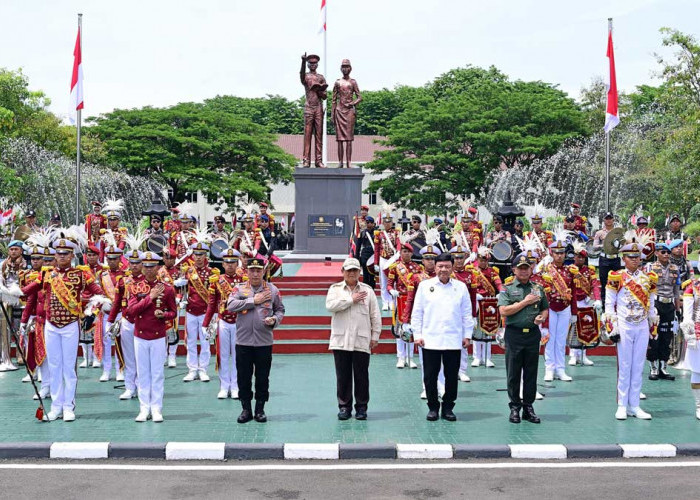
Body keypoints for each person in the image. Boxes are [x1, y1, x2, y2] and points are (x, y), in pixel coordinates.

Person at [21, 237, 106, 421]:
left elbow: (100, 294)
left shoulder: (81, 274)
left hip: (70, 325)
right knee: (54, 366)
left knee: (69, 367)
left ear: (72, 255)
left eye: (65, 253)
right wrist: (8, 291)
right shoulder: (46, 274)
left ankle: (68, 406)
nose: (61, 257)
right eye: (58, 253)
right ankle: (56, 406)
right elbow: (28, 290)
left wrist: (90, 312)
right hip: (51, 325)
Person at [411, 252, 474, 422]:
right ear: (435, 267)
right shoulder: (425, 286)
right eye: (440, 266)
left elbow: (467, 314)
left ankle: (448, 407)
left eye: (447, 266)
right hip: (430, 339)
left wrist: (467, 335)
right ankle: (433, 407)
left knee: (451, 376)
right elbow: (417, 313)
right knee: (430, 376)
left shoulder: (460, 287)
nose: (443, 270)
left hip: (453, 339)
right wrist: (417, 334)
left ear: (452, 267)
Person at [605, 240, 658, 420]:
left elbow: (651, 303)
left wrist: (652, 322)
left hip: (642, 324)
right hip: (625, 324)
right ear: (624, 258)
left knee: (638, 366)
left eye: (637, 257)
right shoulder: (617, 276)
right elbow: (609, 303)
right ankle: (622, 404)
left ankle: (634, 405)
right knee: (625, 365)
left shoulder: (648, 278)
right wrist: (613, 324)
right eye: (631, 257)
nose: (635, 260)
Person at [227, 257, 285, 423]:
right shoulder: (239, 289)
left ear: (264, 272)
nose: (255, 274)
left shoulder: (272, 290)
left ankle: (260, 409)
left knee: (262, 377)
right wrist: (254, 301)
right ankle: (246, 409)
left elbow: (280, 310)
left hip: (263, 342)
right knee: (243, 377)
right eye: (252, 270)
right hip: (243, 342)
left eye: (258, 271)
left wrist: (274, 320)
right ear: (247, 272)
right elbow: (230, 305)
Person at [325, 257, 380, 420]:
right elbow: (330, 306)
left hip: (361, 339)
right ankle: (344, 407)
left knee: (362, 375)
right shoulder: (335, 289)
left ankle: (362, 407)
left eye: (355, 270)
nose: (351, 273)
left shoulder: (368, 291)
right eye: (348, 270)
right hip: (341, 340)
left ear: (359, 272)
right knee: (343, 376)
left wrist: (375, 335)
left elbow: (375, 315)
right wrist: (351, 300)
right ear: (342, 272)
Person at [498, 253, 549, 424]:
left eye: (527, 267)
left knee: (531, 372)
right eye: (520, 268)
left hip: (533, 334)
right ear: (514, 270)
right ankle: (514, 407)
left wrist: (542, 317)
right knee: (513, 372)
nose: (524, 271)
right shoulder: (508, 288)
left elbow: (544, 308)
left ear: (531, 269)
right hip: (514, 334)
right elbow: (504, 311)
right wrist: (525, 303)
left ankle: (528, 406)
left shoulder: (538, 288)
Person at [127, 251, 177, 422]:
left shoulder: (167, 288)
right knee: (142, 374)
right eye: (146, 266)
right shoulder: (134, 287)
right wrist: (150, 298)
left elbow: (173, 312)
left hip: (157, 335)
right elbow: (131, 311)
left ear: (158, 267)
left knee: (157, 373)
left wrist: (164, 314)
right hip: (140, 335)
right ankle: (144, 408)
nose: (148, 269)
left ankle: (156, 408)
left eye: (152, 266)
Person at [203, 248, 247, 399]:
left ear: (237, 263)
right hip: (222, 321)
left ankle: (235, 386)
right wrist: (205, 323)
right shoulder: (216, 281)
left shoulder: (244, 280)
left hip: (239, 322)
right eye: (227, 263)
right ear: (223, 263)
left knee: (237, 356)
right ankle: (224, 385)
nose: (230, 266)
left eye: (233, 263)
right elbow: (211, 303)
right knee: (222, 355)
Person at [402, 239, 440, 398]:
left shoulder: (444, 276)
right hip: (424, 321)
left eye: (433, 259)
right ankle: (427, 386)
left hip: (440, 320)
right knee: (426, 358)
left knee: (443, 356)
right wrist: (405, 320)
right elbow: (410, 299)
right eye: (427, 258)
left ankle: (442, 385)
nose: (430, 262)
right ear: (422, 260)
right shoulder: (416, 277)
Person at [177, 241, 219, 382]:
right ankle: (192, 369)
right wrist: (180, 298)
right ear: (193, 255)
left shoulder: (211, 273)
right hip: (191, 310)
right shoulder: (188, 271)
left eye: (201, 254)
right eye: (196, 254)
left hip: (206, 312)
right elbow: (181, 290)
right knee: (191, 341)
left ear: (205, 255)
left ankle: (203, 370)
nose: (199, 257)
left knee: (205, 342)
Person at [107, 248, 144, 397]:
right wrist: (110, 321)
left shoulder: (147, 281)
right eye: (132, 263)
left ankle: (141, 386)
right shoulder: (123, 281)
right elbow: (116, 303)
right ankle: (130, 387)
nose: (134, 266)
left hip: (143, 322)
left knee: (141, 357)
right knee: (128, 356)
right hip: (127, 321)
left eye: (137, 263)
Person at [541, 240, 578, 382]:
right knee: (550, 339)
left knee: (561, 340)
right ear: (551, 253)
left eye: (562, 253)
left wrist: (574, 313)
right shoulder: (545, 269)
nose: (559, 256)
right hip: (550, 308)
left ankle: (560, 369)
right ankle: (549, 368)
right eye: (557, 253)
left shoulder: (570, 271)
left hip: (565, 308)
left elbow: (573, 293)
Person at [645, 242, 680, 381]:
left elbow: (677, 291)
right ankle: (653, 367)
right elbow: (646, 288)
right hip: (656, 304)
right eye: (663, 252)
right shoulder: (650, 267)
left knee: (667, 337)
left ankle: (663, 367)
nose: (666, 255)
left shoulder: (674, 268)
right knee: (654, 336)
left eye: (668, 253)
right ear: (657, 253)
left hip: (669, 305)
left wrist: (677, 309)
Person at [387, 237, 422, 369]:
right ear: (400, 253)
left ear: (412, 253)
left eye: (408, 251)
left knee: (412, 328)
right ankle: (401, 357)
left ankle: (411, 357)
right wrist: (392, 291)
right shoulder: (395, 267)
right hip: (400, 299)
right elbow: (389, 285)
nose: (406, 254)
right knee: (400, 329)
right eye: (403, 251)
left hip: (413, 300)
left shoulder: (417, 267)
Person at [470, 247, 505, 368]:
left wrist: (501, 292)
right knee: (477, 329)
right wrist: (474, 295)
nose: (483, 262)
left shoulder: (492, 271)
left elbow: (498, 283)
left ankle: (488, 357)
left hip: (489, 302)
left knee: (489, 329)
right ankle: (476, 357)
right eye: (481, 260)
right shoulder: (472, 270)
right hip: (476, 301)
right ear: (478, 259)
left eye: (486, 260)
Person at [568, 241, 602, 366]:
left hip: (585, 302)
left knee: (586, 328)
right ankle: (573, 355)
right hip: (572, 303)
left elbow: (595, 285)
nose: (580, 259)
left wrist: (597, 299)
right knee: (573, 330)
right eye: (578, 256)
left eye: (583, 257)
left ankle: (583, 355)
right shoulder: (570, 270)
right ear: (575, 257)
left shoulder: (590, 271)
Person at [96, 245, 124, 381]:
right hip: (107, 313)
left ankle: (120, 369)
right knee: (106, 342)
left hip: (121, 314)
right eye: (109, 259)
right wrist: (102, 302)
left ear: (119, 259)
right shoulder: (102, 275)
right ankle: (106, 370)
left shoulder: (126, 275)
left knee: (120, 343)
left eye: (114, 259)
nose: (112, 261)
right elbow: (98, 292)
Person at [332, 59, 362, 168]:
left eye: (347, 66)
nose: (345, 69)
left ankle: (349, 161)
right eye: (343, 66)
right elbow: (334, 100)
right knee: (340, 139)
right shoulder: (337, 82)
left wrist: (352, 103)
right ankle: (340, 162)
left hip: (349, 112)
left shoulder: (353, 82)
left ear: (350, 68)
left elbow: (360, 97)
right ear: (341, 68)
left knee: (349, 139)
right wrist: (332, 115)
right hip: (339, 111)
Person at [300, 53, 328, 168]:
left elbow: (325, 96)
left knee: (319, 134)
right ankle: (306, 160)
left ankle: (318, 160)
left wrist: (319, 91)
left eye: (314, 63)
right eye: (310, 63)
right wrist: (302, 61)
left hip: (318, 107)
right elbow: (301, 76)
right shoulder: (306, 76)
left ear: (317, 64)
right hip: (309, 107)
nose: (313, 65)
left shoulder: (321, 77)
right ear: (307, 64)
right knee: (307, 134)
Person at [680, 279, 700, 419]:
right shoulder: (693, 286)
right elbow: (687, 314)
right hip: (698, 333)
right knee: (697, 370)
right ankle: (699, 405)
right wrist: (689, 333)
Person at [373, 210, 400, 311]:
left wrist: (398, 253)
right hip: (383, 259)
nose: (387, 223)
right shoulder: (379, 234)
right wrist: (375, 263)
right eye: (385, 222)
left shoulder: (396, 233)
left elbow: (398, 244)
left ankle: (393, 301)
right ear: (383, 223)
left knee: (394, 281)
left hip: (393, 259)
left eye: (389, 222)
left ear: (392, 223)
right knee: (383, 282)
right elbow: (376, 249)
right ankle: (385, 302)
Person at [592, 212, 621, 302]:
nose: (608, 220)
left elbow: (623, 245)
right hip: (604, 259)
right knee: (604, 281)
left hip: (615, 258)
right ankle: (605, 304)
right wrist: (603, 245)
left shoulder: (618, 232)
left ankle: (617, 303)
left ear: (613, 219)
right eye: (606, 218)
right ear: (604, 220)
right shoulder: (599, 233)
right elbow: (594, 247)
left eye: (610, 218)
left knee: (617, 281)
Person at [353, 215, 377, 289]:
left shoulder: (377, 233)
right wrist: (357, 258)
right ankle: (366, 291)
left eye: (370, 222)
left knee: (372, 276)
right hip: (365, 256)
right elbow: (358, 247)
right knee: (366, 275)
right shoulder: (362, 233)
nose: (368, 224)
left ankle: (372, 290)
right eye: (367, 222)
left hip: (374, 255)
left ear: (374, 224)